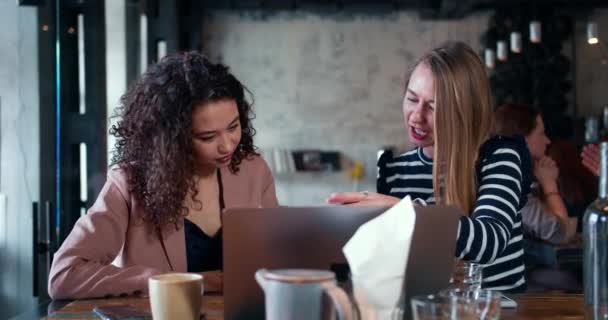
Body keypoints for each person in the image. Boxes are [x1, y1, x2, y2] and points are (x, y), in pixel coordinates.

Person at [48, 52, 278, 299]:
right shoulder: (129, 184)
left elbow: (277, 256)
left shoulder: (254, 170)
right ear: (171, 139)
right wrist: (182, 282)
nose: (227, 146)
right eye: (207, 137)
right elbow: (64, 276)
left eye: (233, 127)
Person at [327, 42, 532, 292]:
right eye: (412, 99)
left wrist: (403, 211)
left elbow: (487, 243)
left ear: (464, 111)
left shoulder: (499, 156)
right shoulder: (395, 170)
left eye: (434, 107)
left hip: (498, 310)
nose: (416, 116)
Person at [493, 103, 576, 245]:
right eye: (541, 133)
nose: (547, 141)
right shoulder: (511, 185)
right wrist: (550, 185)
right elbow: (561, 234)